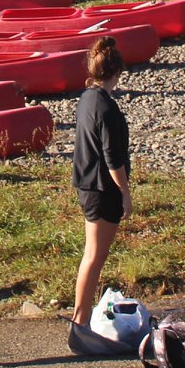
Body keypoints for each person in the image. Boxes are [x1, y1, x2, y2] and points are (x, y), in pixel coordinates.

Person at [70, 36, 132, 331]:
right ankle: (80, 320)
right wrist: (125, 193)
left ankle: (81, 315)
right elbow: (113, 158)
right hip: (102, 188)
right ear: (116, 72)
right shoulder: (107, 107)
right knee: (95, 256)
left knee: (90, 254)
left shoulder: (86, 98)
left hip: (86, 183)